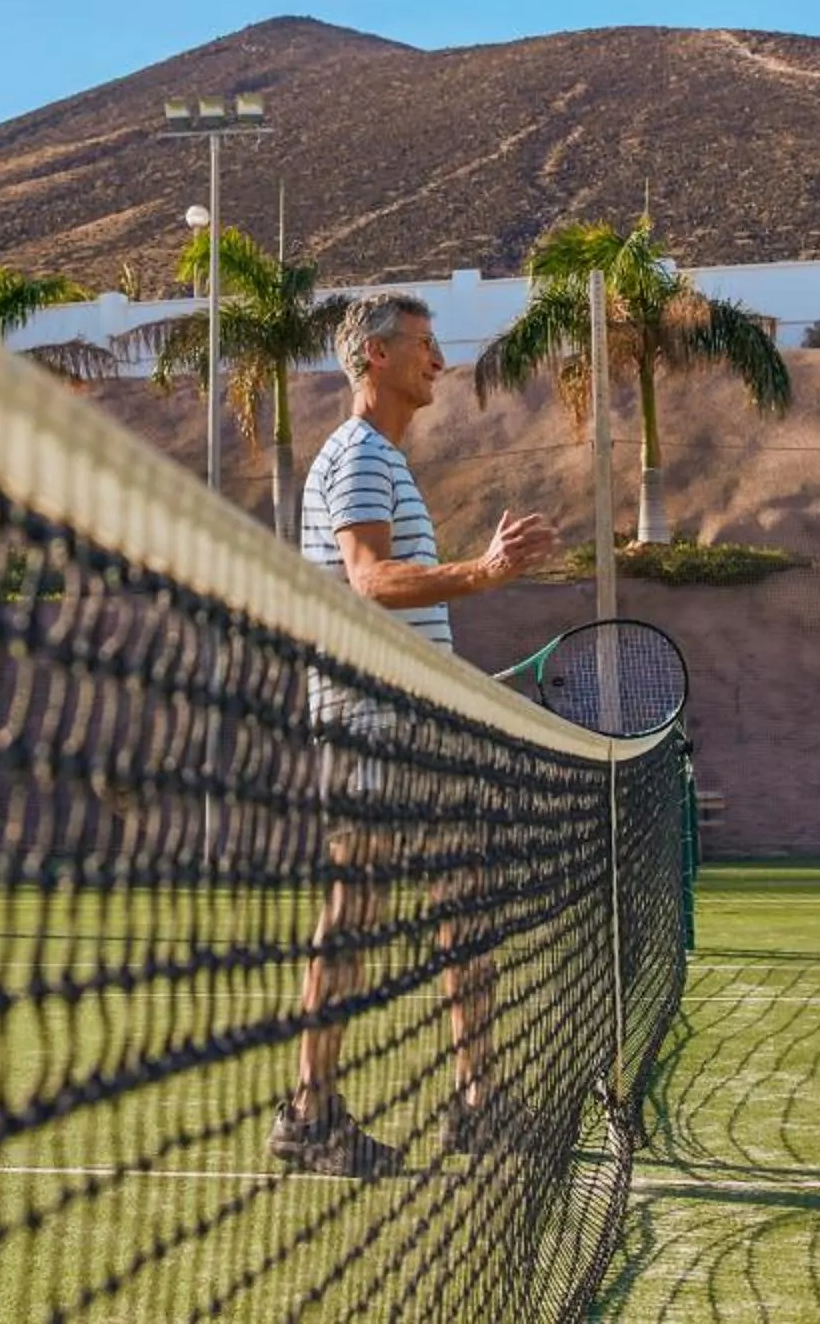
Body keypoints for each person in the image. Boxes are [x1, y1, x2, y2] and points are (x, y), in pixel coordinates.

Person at [269, 290, 559, 1179]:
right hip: (371, 724)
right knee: (355, 914)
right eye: (425, 346)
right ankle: (309, 1115)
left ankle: (477, 1103)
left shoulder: (385, 462)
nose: (439, 361)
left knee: (463, 903)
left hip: (413, 721)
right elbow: (372, 580)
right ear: (377, 358)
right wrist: (484, 569)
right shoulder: (357, 454)